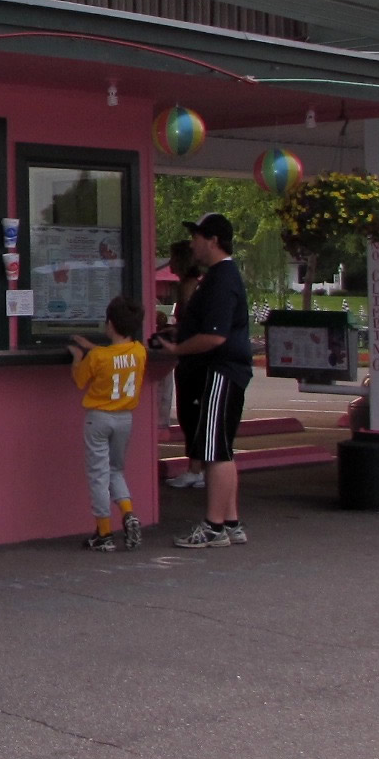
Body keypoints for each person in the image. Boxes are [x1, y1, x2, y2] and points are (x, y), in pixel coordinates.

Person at [150, 213, 251, 547]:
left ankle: (213, 526)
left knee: (214, 452)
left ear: (213, 240)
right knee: (222, 448)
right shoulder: (216, 278)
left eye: (197, 237)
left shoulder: (222, 280)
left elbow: (215, 336)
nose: (192, 243)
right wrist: (176, 333)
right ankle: (231, 522)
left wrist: (179, 347)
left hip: (220, 371)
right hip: (221, 370)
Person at [68, 294, 148, 551]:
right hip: (125, 419)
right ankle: (128, 512)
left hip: (99, 419)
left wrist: (78, 356)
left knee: (98, 475)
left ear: (109, 324)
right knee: (116, 469)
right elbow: (116, 357)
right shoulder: (139, 352)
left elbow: (80, 380)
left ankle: (104, 532)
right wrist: (95, 349)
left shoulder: (98, 357)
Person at [161, 238, 206, 489]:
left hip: (194, 360)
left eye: (174, 259)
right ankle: (198, 466)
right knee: (191, 413)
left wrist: (175, 335)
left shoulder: (190, 288)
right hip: (190, 358)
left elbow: (191, 325)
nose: (171, 265)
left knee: (193, 413)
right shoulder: (187, 286)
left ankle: (196, 467)